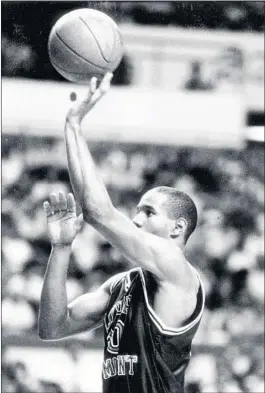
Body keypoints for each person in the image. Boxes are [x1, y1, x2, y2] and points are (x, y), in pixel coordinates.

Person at [38, 73, 205, 393]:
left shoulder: (177, 269)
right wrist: (60, 249)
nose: (137, 218)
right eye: (138, 210)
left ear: (178, 228)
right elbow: (52, 327)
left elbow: (98, 211)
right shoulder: (121, 286)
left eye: (149, 212)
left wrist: (73, 126)